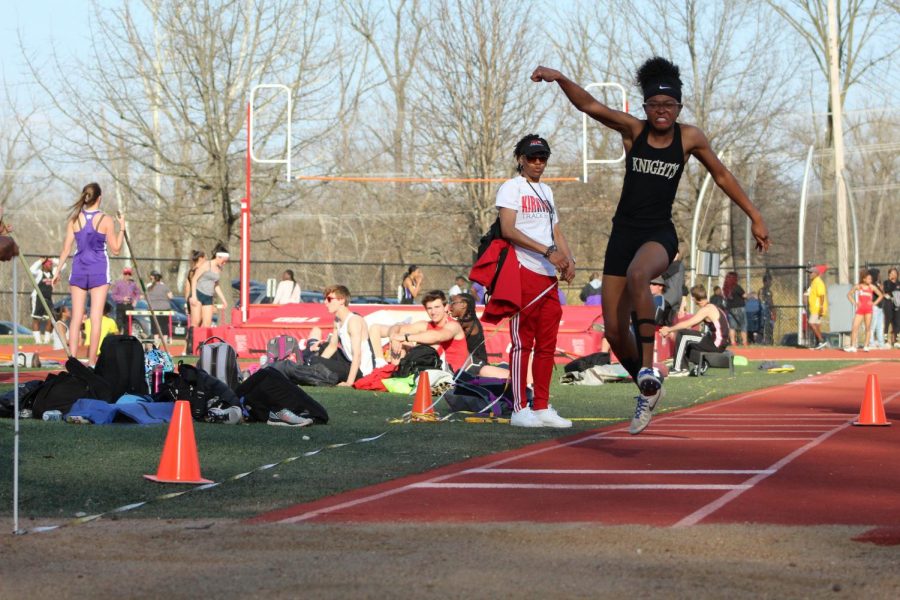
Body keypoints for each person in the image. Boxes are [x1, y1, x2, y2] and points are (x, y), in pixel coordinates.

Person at [532, 58, 770, 435]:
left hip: (659, 234)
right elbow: (590, 106)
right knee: (612, 330)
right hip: (622, 234)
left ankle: (647, 364)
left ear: (679, 108)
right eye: (654, 105)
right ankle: (648, 387)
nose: (661, 112)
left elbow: (721, 175)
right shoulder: (633, 130)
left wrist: (754, 215)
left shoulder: (689, 137)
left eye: (669, 106)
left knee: (639, 274)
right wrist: (560, 77)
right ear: (644, 107)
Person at [494, 133, 575, 429]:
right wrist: (549, 252)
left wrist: (569, 258)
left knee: (548, 344)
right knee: (522, 343)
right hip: (523, 269)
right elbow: (508, 229)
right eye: (532, 157)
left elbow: (555, 229)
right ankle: (519, 407)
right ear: (520, 159)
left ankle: (541, 406)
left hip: (548, 275)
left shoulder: (547, 191)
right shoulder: (511, 187)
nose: (538, 163)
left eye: (543, 158)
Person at [52, 182, 126, 365]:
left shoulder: (75, 219)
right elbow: (116, 249)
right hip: (98, 270)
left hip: (78, 269)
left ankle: (73, 361)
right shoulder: (106, 220)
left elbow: (65, 249)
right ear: (99, 198)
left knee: (77, 317)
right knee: (95, 318)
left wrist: (57, 271)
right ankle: (92, 362)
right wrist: (122, 227)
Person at [369, 290, 469, 374]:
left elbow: (437, 336)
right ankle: (385, 366)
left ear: (446, 307)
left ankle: (398, 374)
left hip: (453, 376)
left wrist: (404, 337)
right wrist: (394, 337)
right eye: (429, 308)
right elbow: (382, 328)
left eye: (437, 307)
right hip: (431, 371)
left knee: (431, 345)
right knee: (401, 340)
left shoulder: (453, 325)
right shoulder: (425, 325)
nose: (433, 312)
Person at [308, 285, 375, 386]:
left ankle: (327, 377)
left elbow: (357, 355)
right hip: (349, 362)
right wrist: (319, 365)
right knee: (324, 347)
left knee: (314, 360)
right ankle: (320, 374)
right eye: (325, 299)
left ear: (341, 300)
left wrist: (349, 383)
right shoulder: (337, 320)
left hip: (362, 372)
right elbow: (332, 347)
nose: (325, 302)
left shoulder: (353, 321)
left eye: (329, 299)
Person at [660, 285, 730, 375]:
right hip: (718, 342)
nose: (692, 300)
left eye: (692, 298)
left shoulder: (706, 309)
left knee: (683, 335)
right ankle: (702, 363)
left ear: (694, 298)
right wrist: (672, 332)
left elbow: (687, 324)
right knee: (685, 340)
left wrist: (669, 329)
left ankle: (679, 369)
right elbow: (690, 326)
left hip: (716, 343)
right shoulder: (712, 307)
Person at [448, 293, 510, 378]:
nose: (450, 307)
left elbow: (448, 330)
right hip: (473, 362)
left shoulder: (467, 322)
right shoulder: (466, 320)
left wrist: (443, 316)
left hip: (477, 364)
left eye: (453, 303)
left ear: (463, 305)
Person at [190, 245, 229, 328]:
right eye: (223, 261)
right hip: (198, 293)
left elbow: (216, 285)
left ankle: (202, 340)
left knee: (207, 324)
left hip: (208, 297)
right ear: (218, 257)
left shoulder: (219, 268)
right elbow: (194, 279)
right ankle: (191, 339)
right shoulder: (207, 265)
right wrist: (194, 296)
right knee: (196, 322)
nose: (224, 263)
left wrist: (223, 299)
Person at [845, 269, 883, 352]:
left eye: (871, 279)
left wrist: (873, 303)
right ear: (864, 279)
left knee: (868, 328)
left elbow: (880, 295)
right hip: (860, 310)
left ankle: (866, 346)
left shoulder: (872, 287)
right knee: (855, 327)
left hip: (868, 310)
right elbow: (849, 295)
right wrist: (855, 303)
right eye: (868, 279)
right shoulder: (858, 286)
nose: (870, 280)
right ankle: (853, 346)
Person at [29, 257, 60, 344]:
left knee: (52, 319)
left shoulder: (53, 273)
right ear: (44, 266)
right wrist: (40, 261)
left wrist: (52, 259)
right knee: (36, 319)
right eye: (49, 264)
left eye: (51, 264)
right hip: (38, 298)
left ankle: (46, 341)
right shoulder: (39, 273)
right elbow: (31, 270)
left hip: (48, 299)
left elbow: (63, 265)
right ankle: (38, 341)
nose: (51, 266)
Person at [183, 250, 207, 355]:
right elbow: (191, 286)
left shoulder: (191, 270)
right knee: (195, 325)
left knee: (196, 324)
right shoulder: (198, 271)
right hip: (196, 298)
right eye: (205, 257)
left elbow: (186, 288)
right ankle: (187, 348)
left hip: (191, 298)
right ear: (201, 258)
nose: (206, 260)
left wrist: (187, 301)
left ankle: (191, 348)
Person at [146, 270, 174, 346]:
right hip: (164, 308)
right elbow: (171, 296)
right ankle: (164, 342)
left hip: (153, 309)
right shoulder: (164, 287)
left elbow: (146, 297)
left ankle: (156, 341)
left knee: (155, 326)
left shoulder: (149, 287)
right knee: (164, 325)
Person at [109, 266, 141, 333]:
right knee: (119, 323)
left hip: (129, 306)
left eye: (129, 274)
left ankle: (126, 339)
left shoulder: (133, 284)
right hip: (121, 305)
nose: (127, 276)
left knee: (128, 324)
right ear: (123, 274)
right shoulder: (118, 284)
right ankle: (119, 338)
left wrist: (135, 301)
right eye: (126, 274)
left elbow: (138, 293)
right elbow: (113, 295)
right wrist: (123, 298)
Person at [805, 264, 829, 349]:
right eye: (809, 273)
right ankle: (820, 343)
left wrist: (821, 307)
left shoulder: (818, 282)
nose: (809, 274)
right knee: (817, 325)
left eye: (811, 273)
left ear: (816, 273)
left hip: (818, 307)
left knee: (811, 323)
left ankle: (821, 340)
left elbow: (822, 295)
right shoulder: (814, 282)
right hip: (815, 307)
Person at [722, 271, 748, 347]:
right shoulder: (737, 287)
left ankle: (733, 342)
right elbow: (744, 295)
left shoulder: (725, 288)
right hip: (740, 308)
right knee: (743, 325)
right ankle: (744, 342)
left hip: (730, 309)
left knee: (732, 326)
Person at [662, 250, 687, 323]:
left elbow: (663, 275)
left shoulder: (676, 264)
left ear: (677, 254)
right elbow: (684, 289)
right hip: (675, 301)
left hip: (669, 298)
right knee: (669, 322)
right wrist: (682, 306)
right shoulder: (680, 267)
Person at [867, 268, 886, 348]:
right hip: (874, 308)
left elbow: (882, 294)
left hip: (880, 308)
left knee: (880, 326)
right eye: (877, 274)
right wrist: (873, 304)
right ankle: (871, 343)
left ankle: (881, 343)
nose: (879, 276)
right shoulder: (871, 284)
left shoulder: (876, 284)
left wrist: (882, 289)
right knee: (872, 326)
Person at [882, 267, 900, 348]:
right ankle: (885, 341)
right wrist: (891, 281)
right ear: (889, 274)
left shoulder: (899, 283)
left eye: (895, 273)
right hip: (888, 304)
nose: (893, 274)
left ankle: (896, 340)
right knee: (887, 321)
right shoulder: (886, 282)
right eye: (891, 273)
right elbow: (887, 290)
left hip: (897, 305)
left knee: (897, 323)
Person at [758, 271, 776, 345]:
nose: (770, 283)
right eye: (769, 281)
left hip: (768, 311)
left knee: (770, 327)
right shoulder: (762, 291)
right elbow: (761, 301)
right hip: (763, 311)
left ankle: (769, 341)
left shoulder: (769, 291)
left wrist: (773, 311)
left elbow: (771, 303)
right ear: (765, 282)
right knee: (763, 327)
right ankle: (762, 341)